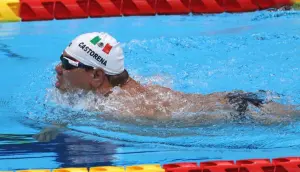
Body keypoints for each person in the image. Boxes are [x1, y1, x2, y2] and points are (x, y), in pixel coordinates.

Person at [54, 32, 300, 125]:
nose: (58, 68)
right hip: (234, 102)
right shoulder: (121, 87)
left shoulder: (120, 109)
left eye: (67, 64)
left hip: (244, 113)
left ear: (97, 75)